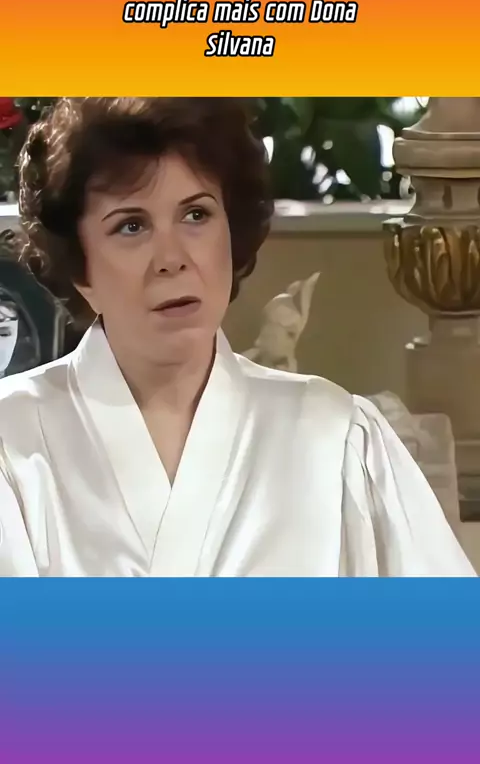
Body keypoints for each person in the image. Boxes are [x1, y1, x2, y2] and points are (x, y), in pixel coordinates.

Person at [0, 97, 475, 577]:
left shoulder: (336, 436)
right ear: (79, 266)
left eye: (196, 215)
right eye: (131, 226)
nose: (172, 259)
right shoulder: (13, 441)